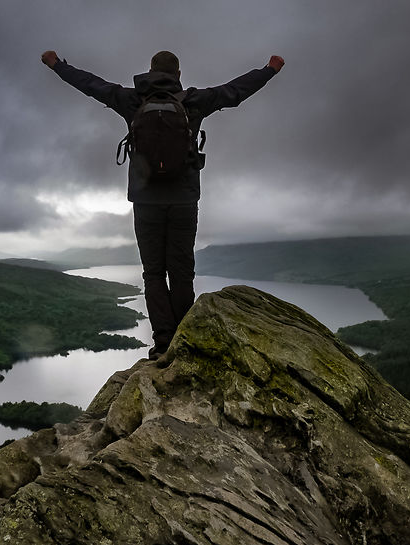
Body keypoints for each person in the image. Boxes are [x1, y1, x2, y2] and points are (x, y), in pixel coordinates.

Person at [42, 49, 284, 359]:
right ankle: (185, 340)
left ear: (150, 71)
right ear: (179, 75)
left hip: (145, 200)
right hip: (184, 200)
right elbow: (235, 91)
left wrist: (58, 65)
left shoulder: (131, 100)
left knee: (153, 273)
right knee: (181, 272)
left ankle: (163, 344)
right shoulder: (193, 101)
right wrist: (269, 70)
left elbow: (90, 84)